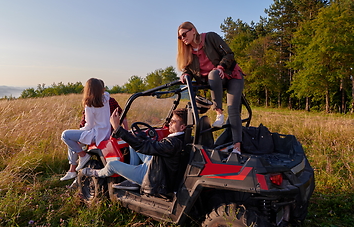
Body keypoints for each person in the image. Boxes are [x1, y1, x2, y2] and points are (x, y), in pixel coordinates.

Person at [81, 108, 187, 196]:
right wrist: (143, 139)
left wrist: (117, 128)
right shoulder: (181, 139)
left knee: (112, 164)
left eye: (173, 122)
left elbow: (144, 146)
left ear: (182, 127)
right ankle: (132, 181)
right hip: (157, 165)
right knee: (132, 145)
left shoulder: (171, 144)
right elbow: (152, 146)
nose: (169, 123)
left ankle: (97, 173)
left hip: (153, 176)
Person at [177, 21, 244, 154]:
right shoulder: (188, 52)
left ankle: (237, 147)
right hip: (215, 81)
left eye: (184, 34)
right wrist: (185, 74)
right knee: (212, 75)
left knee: (233, 109)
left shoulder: (210, 38)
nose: (183, 38)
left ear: (193, 31)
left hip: (231, 75)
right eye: (180, 37)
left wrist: (221, 67)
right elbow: (189, 69)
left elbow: (229, 54)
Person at [60, 78, 112, 181]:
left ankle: (83, 155)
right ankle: (71, 171)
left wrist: (80, 131)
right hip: (105, 132)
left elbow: (89, 126)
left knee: (65, 135)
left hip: (96, 135)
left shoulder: (90, 105)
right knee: (74, 142)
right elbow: (106, 92)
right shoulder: (106, 98)